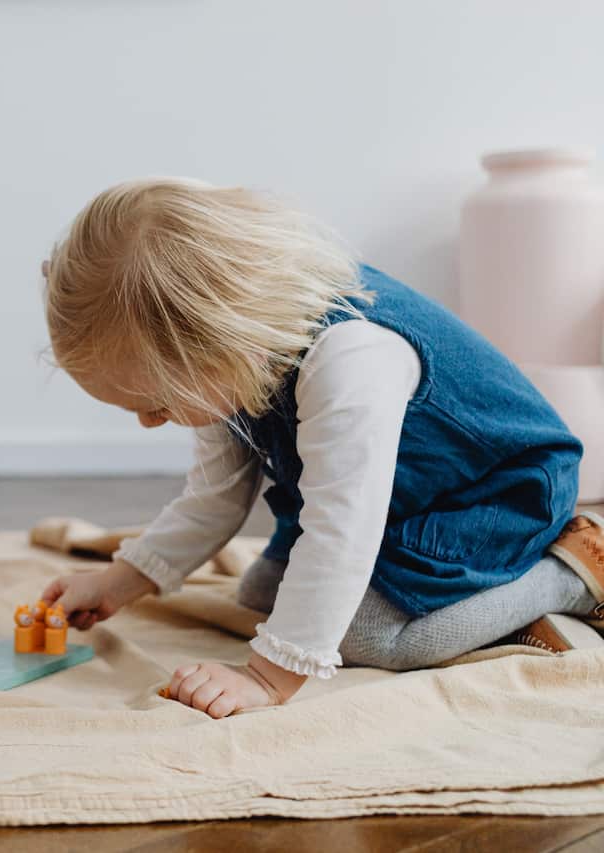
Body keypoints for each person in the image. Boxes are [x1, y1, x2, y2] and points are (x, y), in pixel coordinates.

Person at [39, 177, 604, 718]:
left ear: (221, 346)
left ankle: (570, 574)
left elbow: (341, 528)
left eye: (158, 404)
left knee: (370, 637)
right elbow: (212, 500)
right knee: (263, 592)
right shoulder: (231, 357)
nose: (147, 422)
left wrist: (269, 676)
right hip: (396, 495)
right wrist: (120, 581)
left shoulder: (351, 360)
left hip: (490, 493)